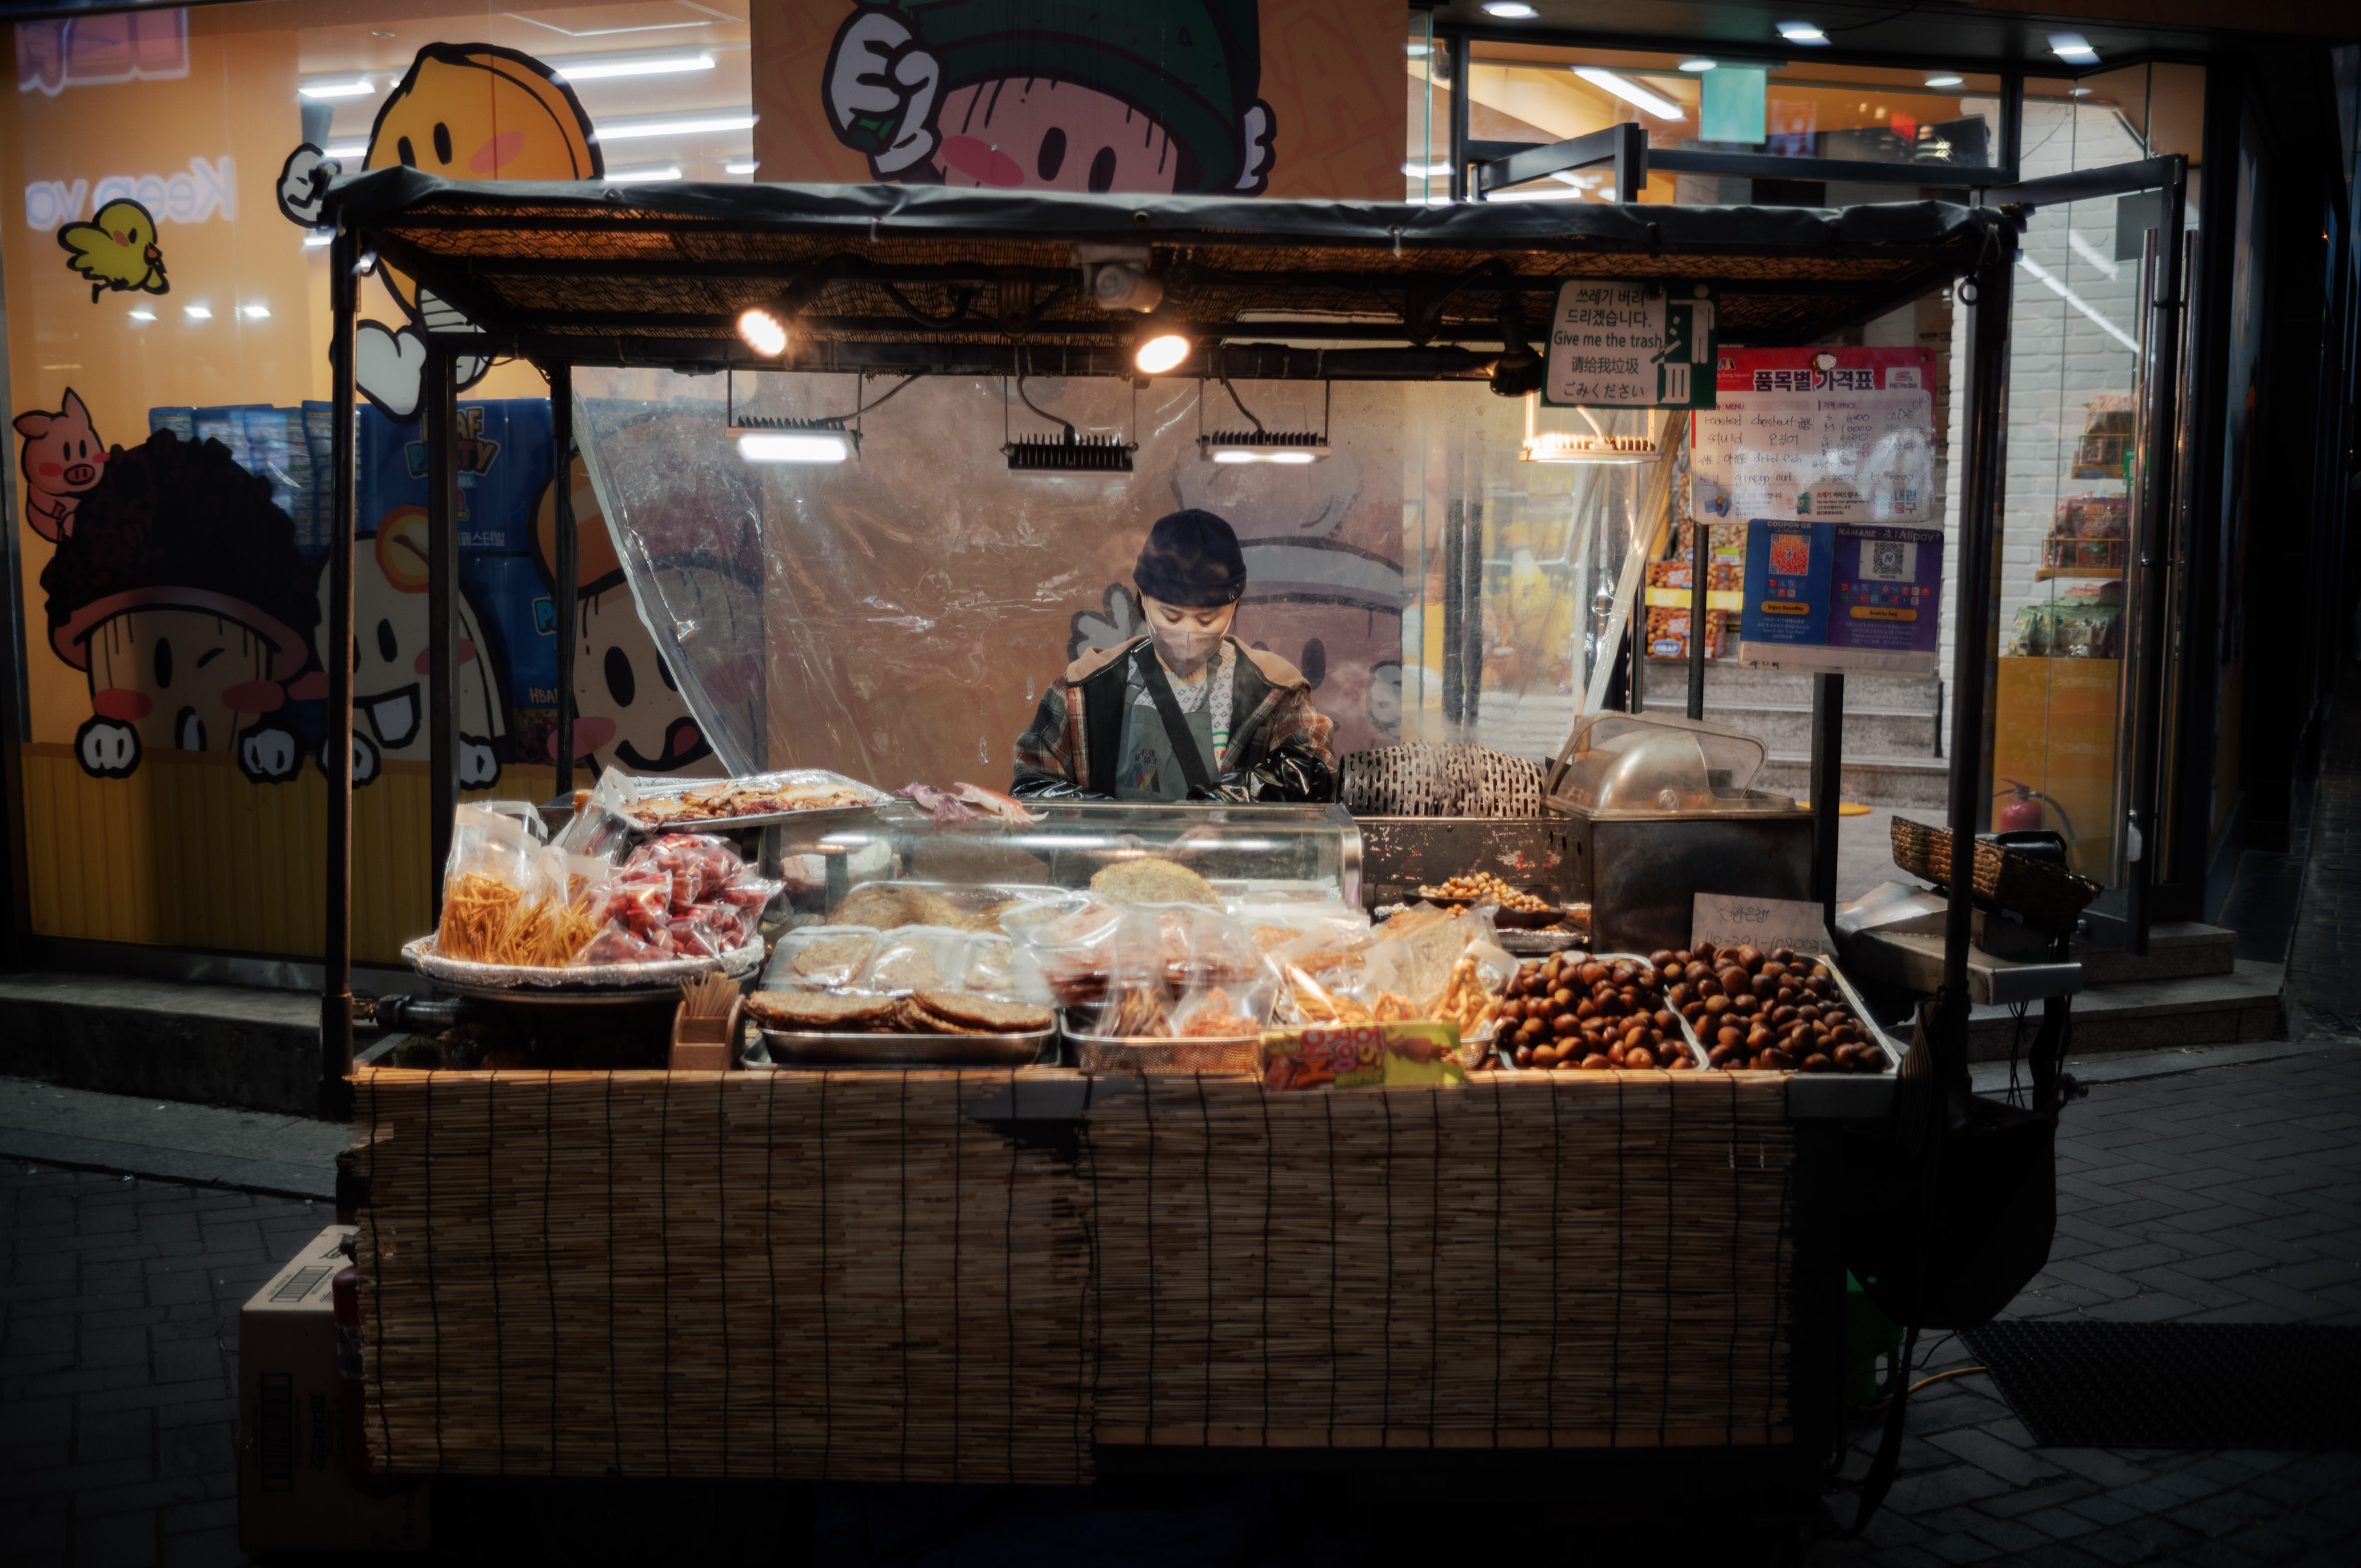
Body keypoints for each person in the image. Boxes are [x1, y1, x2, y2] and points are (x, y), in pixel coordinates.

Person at [1013, 509, 1335, 803]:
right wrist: (1107, 825)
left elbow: (1315, 768)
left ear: (1234, 606)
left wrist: (1226, 805)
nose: (1188, 633)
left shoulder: (1275, 689)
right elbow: (1031, 786)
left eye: (1207, 620)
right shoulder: (1085, 688)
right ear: (1143, 598)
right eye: (1171, 616)